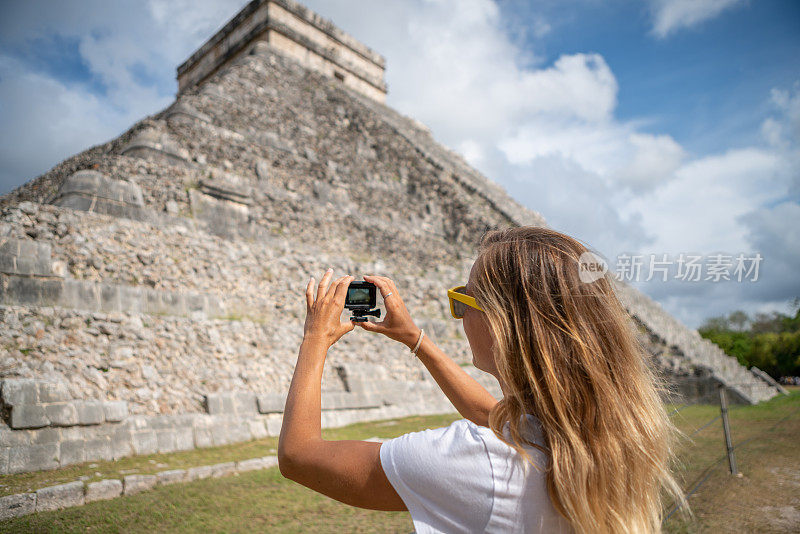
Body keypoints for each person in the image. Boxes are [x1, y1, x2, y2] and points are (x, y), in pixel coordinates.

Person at [278, 226, 689, 533]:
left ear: (503, 323)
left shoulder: (476, 463)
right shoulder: (601, 433)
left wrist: (315, 338)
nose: (460, 315)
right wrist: (414, 338)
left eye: (464, 300)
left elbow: (299, 457)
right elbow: (491, 414)